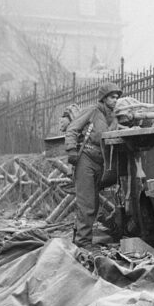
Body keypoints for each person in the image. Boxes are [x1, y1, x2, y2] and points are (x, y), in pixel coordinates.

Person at [64, 82, 122, 249]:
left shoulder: (115, 115)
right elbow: (72, 129)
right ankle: (83, 242)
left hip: (102, 162)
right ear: (103, 98)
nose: (115, 100)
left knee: (94, 203)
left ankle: (81, 237)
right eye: (112, 97)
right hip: (86, 159)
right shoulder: (92, 111)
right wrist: (71, 150)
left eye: (117, 97)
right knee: (87, 202)